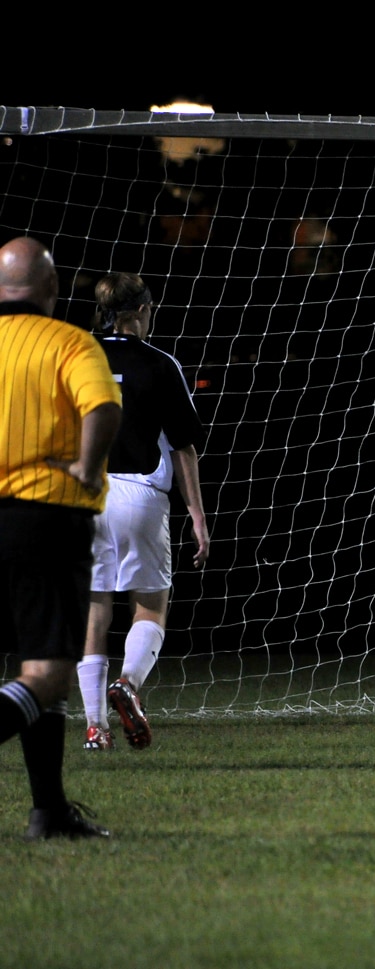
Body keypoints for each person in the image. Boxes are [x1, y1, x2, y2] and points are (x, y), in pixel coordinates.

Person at [0, 236, 122, 838]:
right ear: (50, 288)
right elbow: (103, 406)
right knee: (47, 672)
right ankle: (48, 811)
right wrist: (86, 466)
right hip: (41, 517)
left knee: (34, 675)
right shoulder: (70, 342)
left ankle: (48, 811)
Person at [77, 273, 210, 751]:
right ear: (139, 312)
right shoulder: (159, 363)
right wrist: (197, 516)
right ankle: (128, 683)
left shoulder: (75, 355)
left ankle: (96, 728)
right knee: (150, 606)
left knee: (95, 612)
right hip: (139, 495)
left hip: (83, 494)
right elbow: (184, 446)